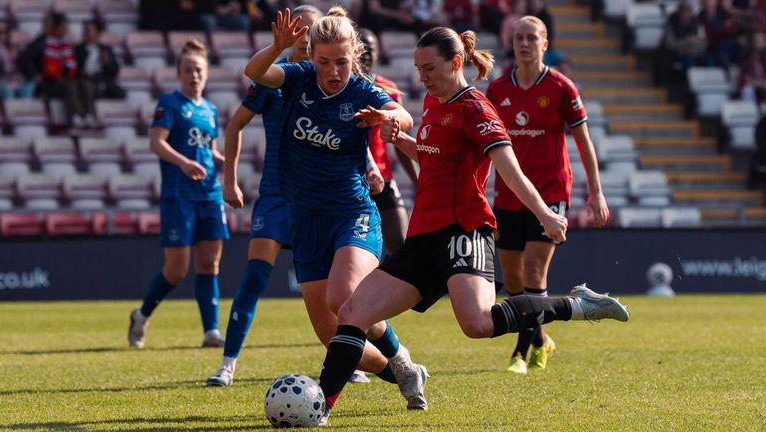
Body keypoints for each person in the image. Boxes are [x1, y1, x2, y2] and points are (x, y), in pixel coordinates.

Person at [314, 27, 629, 423]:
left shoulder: (477, 109)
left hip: (464, 230)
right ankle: (320, 407)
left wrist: (545, 214)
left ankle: (579, 306)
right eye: (418, 69)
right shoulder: (433, 100)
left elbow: (509, 171)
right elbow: (432, 156)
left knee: (477, 324)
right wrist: (398, 140)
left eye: (429, 68)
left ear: (456, 62)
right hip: (423, 237)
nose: (422, 77)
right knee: (352, 310)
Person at [243, 7, 429, 409]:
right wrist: (277, 47)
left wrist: (390, 119)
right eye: (324, 61)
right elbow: (255, 72)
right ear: (311, 57)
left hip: (352, 214)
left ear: (354, 57)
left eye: (341, 61)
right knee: (332, 333)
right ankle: (401, 367)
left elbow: (404, 114)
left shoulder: (362, 91)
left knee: (344, 298)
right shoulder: (298, 78)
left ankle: (325, 402)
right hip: (305, 220)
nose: (333, 71)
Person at [205, 5, 327, 386]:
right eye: (299, 29)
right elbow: (235, 125)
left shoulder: (332, 80)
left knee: (330, 290)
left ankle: (353, 358)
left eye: (311, 30)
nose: (304, 37)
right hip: (275, 194)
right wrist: (229, 180)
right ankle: (228, 363)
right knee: (255, 277)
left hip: (318, 198)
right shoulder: (273, 77)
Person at [486, 16, 609, 375]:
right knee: (512, 280)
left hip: (551, 193)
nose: (524, 44)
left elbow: (584, 142)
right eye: (518, 38)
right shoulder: (497, 89)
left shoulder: (561, 87)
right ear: (512, 43)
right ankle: (541, 338)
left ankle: (520, 354)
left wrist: (596, 192)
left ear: (545, 43)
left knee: (534, 271)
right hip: (509, 194)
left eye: (531, 38)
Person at [128, 39, 228, 349]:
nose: (194, 75)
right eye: (188, 70)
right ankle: (141, 315)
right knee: (176, 269)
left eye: (198, 70)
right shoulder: (170, 104)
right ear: (179, 73)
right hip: (179, 194)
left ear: (207, 74)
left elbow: (209, 149)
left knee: (209, 264)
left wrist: (223, 160)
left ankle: (211, 332)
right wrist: (184, 162)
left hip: (209, 194)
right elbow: (156, 143)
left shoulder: (210, 110)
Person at [358, 27, 418, 256]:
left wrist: (416, 180)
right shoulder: (343, 88)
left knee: (401, 249)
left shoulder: (388, 90)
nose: (366, 54)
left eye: (371, 49)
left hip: (383, 178)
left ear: (378, 53)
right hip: (351, 178)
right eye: (362, 48)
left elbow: (398, 138)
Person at [17, 12, 96, 128]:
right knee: (70, 87)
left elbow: (73, 65)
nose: (66, 30)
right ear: (56, 27)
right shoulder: (42, 43)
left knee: (85, 85)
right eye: (63, 27)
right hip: (47, 83)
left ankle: (89, 116)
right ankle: (75, 116)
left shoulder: (67, 44)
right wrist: (35, 75)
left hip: (64, 80)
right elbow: (23, 59)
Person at [73, 19, 126, 102]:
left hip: (103, 80)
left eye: (88, 31)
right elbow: (72, 68)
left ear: (97, 33)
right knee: (88, 88)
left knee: (120, 92)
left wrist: (107, 63)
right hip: (86, 80)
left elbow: (114, 72)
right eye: (84, 31)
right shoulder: (77, 50)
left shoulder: (106, 49)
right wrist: (81, 73)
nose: (85, 34)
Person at [0, 20, 35, 99]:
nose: (1, 35)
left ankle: (25, 106)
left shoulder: (14, 48)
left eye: (4, 31)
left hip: (16, 80)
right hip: (1, 81)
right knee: (7, 92)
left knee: (30, 84)